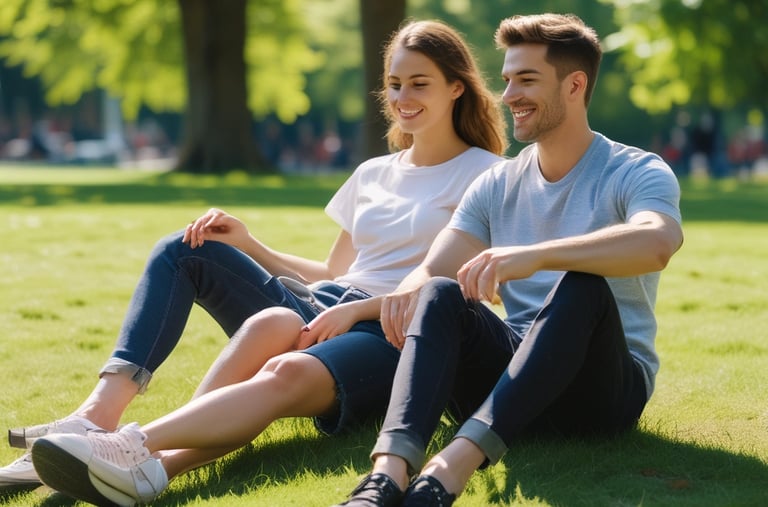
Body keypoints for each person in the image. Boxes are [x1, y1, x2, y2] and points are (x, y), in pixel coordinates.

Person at [13, 19, 509, 505]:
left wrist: (359, 311)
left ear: (456, 88)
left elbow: (459, 291)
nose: (403, 97)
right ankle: (96, 419)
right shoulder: (372, 173)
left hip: (394, 332)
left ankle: (143, 459)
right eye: (394, 84)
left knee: (285, 364)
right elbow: (334, 274)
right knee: (185, 250)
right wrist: (251, 245)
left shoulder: (487, 175)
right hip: (326, 306)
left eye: (420, 84)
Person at [325, 12, 684, 506]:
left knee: (582, 285)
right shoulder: (496, 183)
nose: (509, 94)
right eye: (508, 79)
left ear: (575, 85)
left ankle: (449, 469)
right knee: (439, 292)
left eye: (527, 80)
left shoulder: (635, 170)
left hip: (600, 395)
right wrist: (373, 304)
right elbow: (432, 270)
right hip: (512, 377)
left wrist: (534, 256)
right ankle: (387, 476)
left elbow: (658, 242)